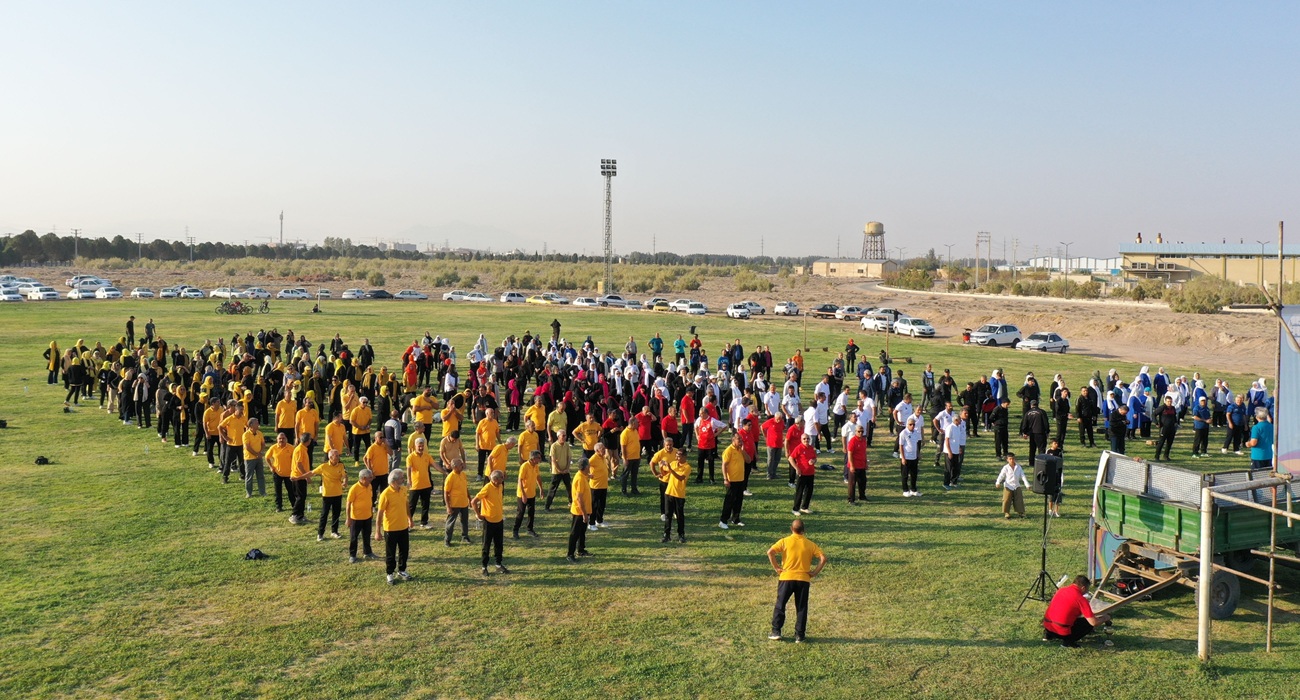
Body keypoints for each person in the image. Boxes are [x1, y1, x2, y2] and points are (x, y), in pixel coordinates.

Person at [767, 519, 827, 643]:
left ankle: (776, 631)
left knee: (780, 604)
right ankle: (799, 635)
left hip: (786, 578)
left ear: (791, 529)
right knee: (801, 607)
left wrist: (777, 567)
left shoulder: (784, 541)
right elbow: (823, 558)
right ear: (803, 530)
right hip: (803, 580)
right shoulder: (810, 544)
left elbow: (770, 552)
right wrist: (814, 572)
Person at [1042, 575, 1109, 647]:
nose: (1087, 592)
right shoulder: (1081, 599)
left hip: (1048, 627)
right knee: (1088, 624)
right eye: (1087, 590)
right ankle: (1068, 641)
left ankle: (1048, 636)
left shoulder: (1060, 590)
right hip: (1062, 633)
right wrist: (1105, 618)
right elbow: (1093, 623)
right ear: (1083, 588)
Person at [376, 468, 413, 585]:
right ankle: (390, 573)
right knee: (391, 553)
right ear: (395, 480)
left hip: (403, 527)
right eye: (402, 478)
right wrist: (377, 531)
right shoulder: (385, 494)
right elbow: (380, 514)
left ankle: (402, 570)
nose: (404, 479)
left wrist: (410, 519)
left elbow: (406, 504)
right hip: (390, 529)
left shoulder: (403, 489)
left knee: (404, 551)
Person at [472, 470, 510, 575]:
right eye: (502, 477)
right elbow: (474, 501)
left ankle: (498, 565)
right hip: (489, 521)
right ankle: (484, 567)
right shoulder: (487, 488)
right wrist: (478, 514)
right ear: (496, 479)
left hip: (499, 520)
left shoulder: (500, 486)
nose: (503, 479)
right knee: (486, 545)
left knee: (499, 544)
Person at [311, 449, 348, 541]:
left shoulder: (341, 465)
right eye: (336, 456)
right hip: (327, 495)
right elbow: (312, 473)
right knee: (324, 514)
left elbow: (344, 476)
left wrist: (345, 482)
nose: (338, 457)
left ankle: (334, 531)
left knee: (336, 513)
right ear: (330, 457)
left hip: (338, 493)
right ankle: (320, 534)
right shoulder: (323, 466)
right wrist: (299, 477)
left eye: (338, 455)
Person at [346, 468, 378, 563]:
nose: (372, 479)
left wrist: (371, 512)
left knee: (367, 535)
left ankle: (367, 552)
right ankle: (352, 555)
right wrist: (348, 518)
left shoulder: (369, 486)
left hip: (367, 516)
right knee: (354, 537)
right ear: (364, 478)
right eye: (370, 478)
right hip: (356, 518)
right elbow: (348, 504)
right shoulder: (354, 488)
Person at [567, 458, 594, 562]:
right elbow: (579, 499)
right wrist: (584, 514)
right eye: (589, 466)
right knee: (575, 533)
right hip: (579, 511)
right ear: (586, 467)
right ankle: (570, 554)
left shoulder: (583, 476)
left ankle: (581, 550)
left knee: (582, 531)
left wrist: (588, 476)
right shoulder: (579, 479)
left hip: (584, 510)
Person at [661, 448, 691, 544]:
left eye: (680, 455)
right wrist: (662, 466)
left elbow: (680, 478)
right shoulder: (673, 464)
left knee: (679, 516)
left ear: (685, 456)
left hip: (679, 495)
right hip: (669, 493)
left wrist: (670, 469)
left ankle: (681, 535)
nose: (677, 457)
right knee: (668, 515)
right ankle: (667, 535)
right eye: (677, 455)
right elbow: (665, 472)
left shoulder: (687, 467)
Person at [406, 437, 436, 529]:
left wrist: (445, 472)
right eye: (419, 446)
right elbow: (409, 469)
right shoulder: (410, 457)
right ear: (415, 446)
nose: (421, 448)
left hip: (426, 484)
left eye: (422, 446)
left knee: (425, 505)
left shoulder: (427, 456)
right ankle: (408, 524)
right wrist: (409, 480)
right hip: (415, 485)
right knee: (411, 506)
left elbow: (435, 465)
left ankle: (424, 522)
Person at [719, 432, 747, 529]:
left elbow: (748, 460)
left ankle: (735, 518)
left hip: (740, 480)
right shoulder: (729, 450)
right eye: (739, 439)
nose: (741, 441)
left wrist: (743, 451)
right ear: (733, 440)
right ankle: (723, 520)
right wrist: (725, 479)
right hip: (732, 480)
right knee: (729, 501)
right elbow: (724, 465)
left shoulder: (740, 450)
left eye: (741, 439)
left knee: (738, 500)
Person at [513, 450, 543, 538]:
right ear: (533, 459)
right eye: (538, 458)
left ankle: (530, 529)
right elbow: (520, 480)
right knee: (521, 513)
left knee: (531, 512)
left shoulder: (536, 466)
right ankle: (515, 531)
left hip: (532, 494)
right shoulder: (524, 466)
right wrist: (523, 495)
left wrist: (541, 489)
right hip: (523, 494)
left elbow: (538, 477)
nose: (540, 460)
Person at [443, 458, 472, 545]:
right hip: (454, 504)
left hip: (464, 503)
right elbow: (446, 493)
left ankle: (465, 537)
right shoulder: (450, 478)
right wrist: (448, 506)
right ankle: (447, 540)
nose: (462, 466)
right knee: (450, 523)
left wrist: (470, 499)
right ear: (455, 467)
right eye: (460, 465)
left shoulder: (463, 474)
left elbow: (465, 488)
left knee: (465, 521)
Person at [266, 431, 295, 512]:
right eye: (279, 438)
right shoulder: (273, 448)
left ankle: (294, 505)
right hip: (277, 473)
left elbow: (295, 460)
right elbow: (267, 457)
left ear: (286, 439)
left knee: (291, 491)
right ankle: (279, 506)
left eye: (283, 438)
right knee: (278, 491)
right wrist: (271, 467)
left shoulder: (291, 448)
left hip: (288, 473)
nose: (281, 440)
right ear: (277, 439)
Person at [995, 453, 1030, 519]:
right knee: (1006, 499)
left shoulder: (1018, 467)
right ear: (1007, 460)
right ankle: (1006, 512)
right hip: (1008, 486)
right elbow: (1001, 475)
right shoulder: (1006, 467)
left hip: (1016, 485)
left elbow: (1023, 476)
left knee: (1019, 499)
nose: (1012, 460)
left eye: (1013, 459)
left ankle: (1021, 512)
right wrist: (998, 482)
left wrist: (1027, 484)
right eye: (1010, 459)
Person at [545, 429, 572, 510]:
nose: (564, 437)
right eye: (563, 436)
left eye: (565, 435)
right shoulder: (554, 446)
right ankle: (547, 506)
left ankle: (571, 502)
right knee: (553, 489)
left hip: (565, 471)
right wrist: (559, 470)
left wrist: (567, 468)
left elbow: (569, 457)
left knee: (569, 488)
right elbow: (553, 460)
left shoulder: (566, 445)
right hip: (556, 472)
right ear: (558, 437)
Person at [790, 433, 817, 515]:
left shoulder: (811, 448)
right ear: (801, 440)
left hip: (810, 473)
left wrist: (813, 461)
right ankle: (795, 509)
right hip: (802, 473)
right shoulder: (799, 448)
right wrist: (797, 468)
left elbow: (815, 458)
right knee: (799, 492)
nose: (806, 440)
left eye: (808, 438)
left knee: (809, 491)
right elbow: (791, 458)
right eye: (804, 439)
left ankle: (805, 507)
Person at [588, 443, 613, 529]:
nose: (604, 450)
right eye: (602, 449)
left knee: (602, 504)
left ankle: (599, 520)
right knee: (594, 505)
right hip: (595, 486)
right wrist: (588, 475)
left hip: (603, 485)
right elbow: (584, 466)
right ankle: (591, 523)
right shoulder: (593, 458)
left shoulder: (603, 457)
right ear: (597, 450)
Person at [897, 415, 922, 497]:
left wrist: (918, 454)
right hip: (906, 457)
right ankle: (905, 490)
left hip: (914, 457)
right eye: (910, 424)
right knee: (905, 475)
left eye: (914, 424)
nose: (912, 426)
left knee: (914, 474)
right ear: (907, 425)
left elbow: (916, 444)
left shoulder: (916, 433)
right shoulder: (903, 433)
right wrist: (903, 458)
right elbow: (901, 446)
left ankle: (913, 489)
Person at [242, 418, 267, 498]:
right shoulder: (246, 435)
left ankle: (262, 492)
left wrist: (260, 452)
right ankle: (249, 493)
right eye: (256, 423)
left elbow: (263, 444)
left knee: (261, 475)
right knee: (249, 476)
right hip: (249, 458)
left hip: (258, 458)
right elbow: (247, 447)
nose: (258, 424)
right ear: (251, 425)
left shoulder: (260, 433)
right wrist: (257, 454)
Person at [942, 412, 966, 491]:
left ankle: (953, 482)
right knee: (948, 468)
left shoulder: (957, 427)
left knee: (955, 467)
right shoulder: (950, 427)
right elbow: (947, 440)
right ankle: (946, 483)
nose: (960, 422)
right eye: (959, 420)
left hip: (956, 450)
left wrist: (959, 447)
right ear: (956, 420)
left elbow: (957, 438)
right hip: (949, 451)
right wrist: (949, 451)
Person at [846, 423, 868, 505]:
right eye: (859, 431)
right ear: (855, 432)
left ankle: (862, 496)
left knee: (863, 481)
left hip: (861, 465)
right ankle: (851, 499)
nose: (861, 433)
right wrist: (851, 465)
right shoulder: (853, 441)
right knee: (852, 483)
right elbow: (850, 454)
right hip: (854, 465)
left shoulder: (863, 440)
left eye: (862, 431)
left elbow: (864, 452)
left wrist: (866, 463)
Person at [619, 420, 642, 495]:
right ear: (632, 423)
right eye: (637, 423)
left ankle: (634, 489)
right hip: (629, 458)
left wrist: (639, 455)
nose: (638, 425)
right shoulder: (625, 433)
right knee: (625, 474)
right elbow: (623, 447)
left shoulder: (635, 431)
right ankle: (624, 490)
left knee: (634, 474)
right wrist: (625, 458)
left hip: (636, 457)